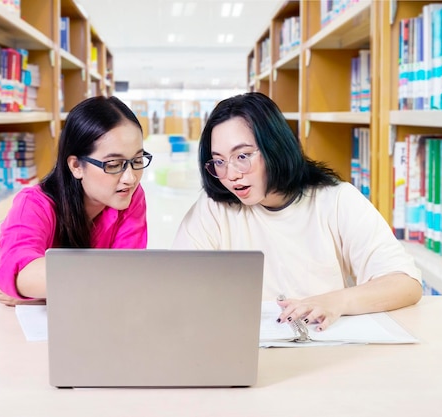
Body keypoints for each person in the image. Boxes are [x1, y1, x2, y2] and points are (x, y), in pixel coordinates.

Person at [171, 92, 422, 331]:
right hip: (246, 349)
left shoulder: (336, 200)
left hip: (324, 348)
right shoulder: (214, 208)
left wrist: (336, 301)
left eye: (243, 156)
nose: (232, 174)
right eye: (219, 161)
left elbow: (405, 284)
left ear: (275, 147)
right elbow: (176, 284)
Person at [0, 96, 152, 306]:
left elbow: (128, 276)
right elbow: (19, 273)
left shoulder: (130, 196)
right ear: (76, 165)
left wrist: (38, 293)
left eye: (137, 161)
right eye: (113, 164)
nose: (130, 177)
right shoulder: (33, 204)